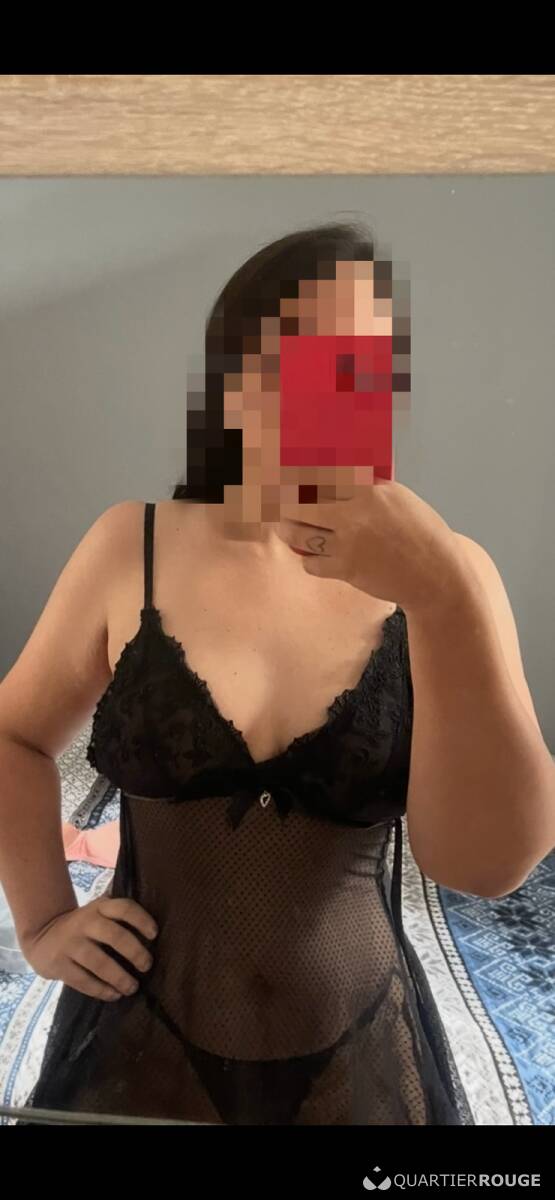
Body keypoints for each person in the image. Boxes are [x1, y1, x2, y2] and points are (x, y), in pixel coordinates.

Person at [4, 220, 545, 1125]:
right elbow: (15, 736)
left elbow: (486, 868)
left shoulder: (449, 578)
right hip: (135, 1036)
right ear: (231, 379)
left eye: (366, 368)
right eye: (301, 358)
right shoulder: (128, 545)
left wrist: (445, 599)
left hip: (359, 1050)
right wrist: (43, 922)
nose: (334, 394)